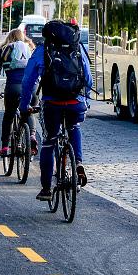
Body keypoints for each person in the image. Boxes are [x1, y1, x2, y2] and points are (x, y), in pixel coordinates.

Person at [19, 19, 92, 201]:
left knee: (50, 141)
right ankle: (79, 164)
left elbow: (28, 81)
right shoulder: (77, 47)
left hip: (52, 102)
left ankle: (45, 189)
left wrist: (24, 105)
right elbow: (88, 77)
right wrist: (85, 99)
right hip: (76, 101)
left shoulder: (43, 50)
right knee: (74, 127)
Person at [0, 29, 37, 157]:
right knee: (28, 111)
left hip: (13, 87)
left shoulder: (4, 50)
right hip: (32, 88)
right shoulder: (31, 49)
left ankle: (4, 147)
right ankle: (31, 136)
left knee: (9, 116)